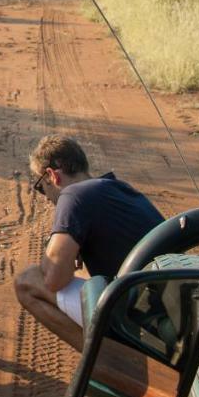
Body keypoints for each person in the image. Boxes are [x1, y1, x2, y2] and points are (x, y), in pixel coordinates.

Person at [14, 135, 163, 353]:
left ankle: (108, 362)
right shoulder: (117, 188)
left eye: (40, 187)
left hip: (139, 314)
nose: (45, 197)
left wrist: (53, 252)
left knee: (27, 282)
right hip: (162, 306)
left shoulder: (73, 195)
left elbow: (54, 280)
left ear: (52, 175)